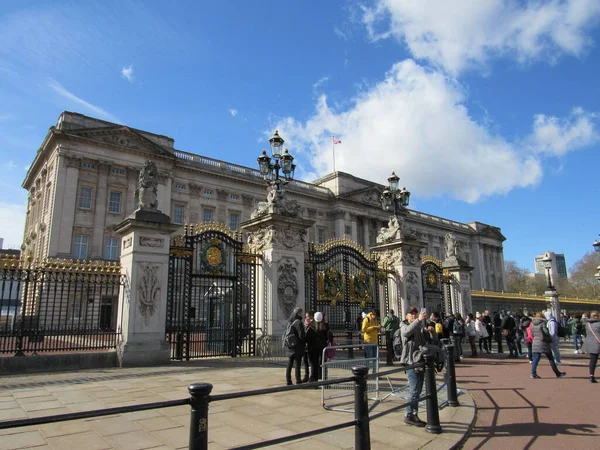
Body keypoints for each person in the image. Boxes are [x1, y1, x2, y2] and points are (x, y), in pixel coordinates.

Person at [399, 306, 430, 427]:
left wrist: (430, 331)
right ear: (406, 315)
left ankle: (414, 413)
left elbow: (426, 342)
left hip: (419, 360)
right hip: (410, 362)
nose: (413, 315)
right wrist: (418, 321)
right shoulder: (403, 326)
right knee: (414, 389)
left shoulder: (418, 327)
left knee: (418, 390)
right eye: (411, 314)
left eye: (415, 314)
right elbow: (407, 332)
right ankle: (408, 414)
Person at [531, 312, 566, 379]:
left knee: (536, 358)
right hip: (543, 342)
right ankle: (557, 373)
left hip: (535, 342)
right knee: (550, 358)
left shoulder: (532, 324)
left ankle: (533, 373)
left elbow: (532, 333)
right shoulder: (542, 323)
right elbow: (546, 332)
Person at [285, 307, 306, 385]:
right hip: (297, 346)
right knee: (297, 363)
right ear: (298, 313)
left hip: (290, 345)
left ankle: (288, 380)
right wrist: (303, 343)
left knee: (290, 363)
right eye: (301, 312)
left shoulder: (290, 321)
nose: (302, 314)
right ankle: (298, 380)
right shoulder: (298, 322)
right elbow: (301, 335)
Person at [305, 311, 328, 382]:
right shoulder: (325, 327)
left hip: (312, 348)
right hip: (322, 348)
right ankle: (324, 378)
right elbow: (327, 337)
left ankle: (313, 379)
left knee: (313, 364)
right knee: (322, 364)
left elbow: (307, 338)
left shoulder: (311, 327)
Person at [584, 311, 599, 383]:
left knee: (593, 361)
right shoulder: (598, 324)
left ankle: (591, 376)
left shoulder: (587, 324)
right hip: (598, 343)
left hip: (590, 344)